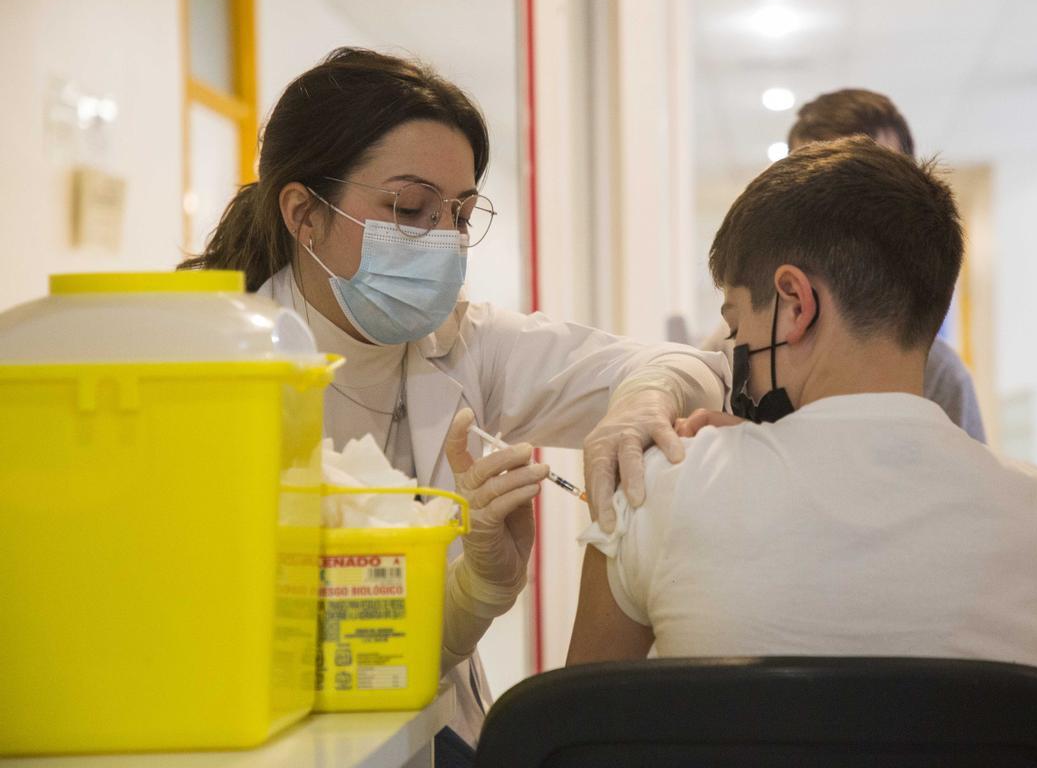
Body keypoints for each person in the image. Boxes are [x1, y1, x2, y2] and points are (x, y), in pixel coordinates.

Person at [179, 48, 727, 748]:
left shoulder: (462, 342)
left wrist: (646, 396)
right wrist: (468, 600)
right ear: (301, 212)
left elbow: (696, 368)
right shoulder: (211, 371)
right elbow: (256, 648)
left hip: (430, 736)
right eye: (409, 209)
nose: (442, 243)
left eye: (460, 216)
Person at [568, 136, 1037, 676]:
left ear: (796, 304)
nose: (732, 345)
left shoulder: (659, 488)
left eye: (735, 322)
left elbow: (573, 738)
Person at [702, 87, 986, 442]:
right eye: (810, 180)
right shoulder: (738, 343)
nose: (840, 201)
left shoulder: (942, 377)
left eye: (872, 179)